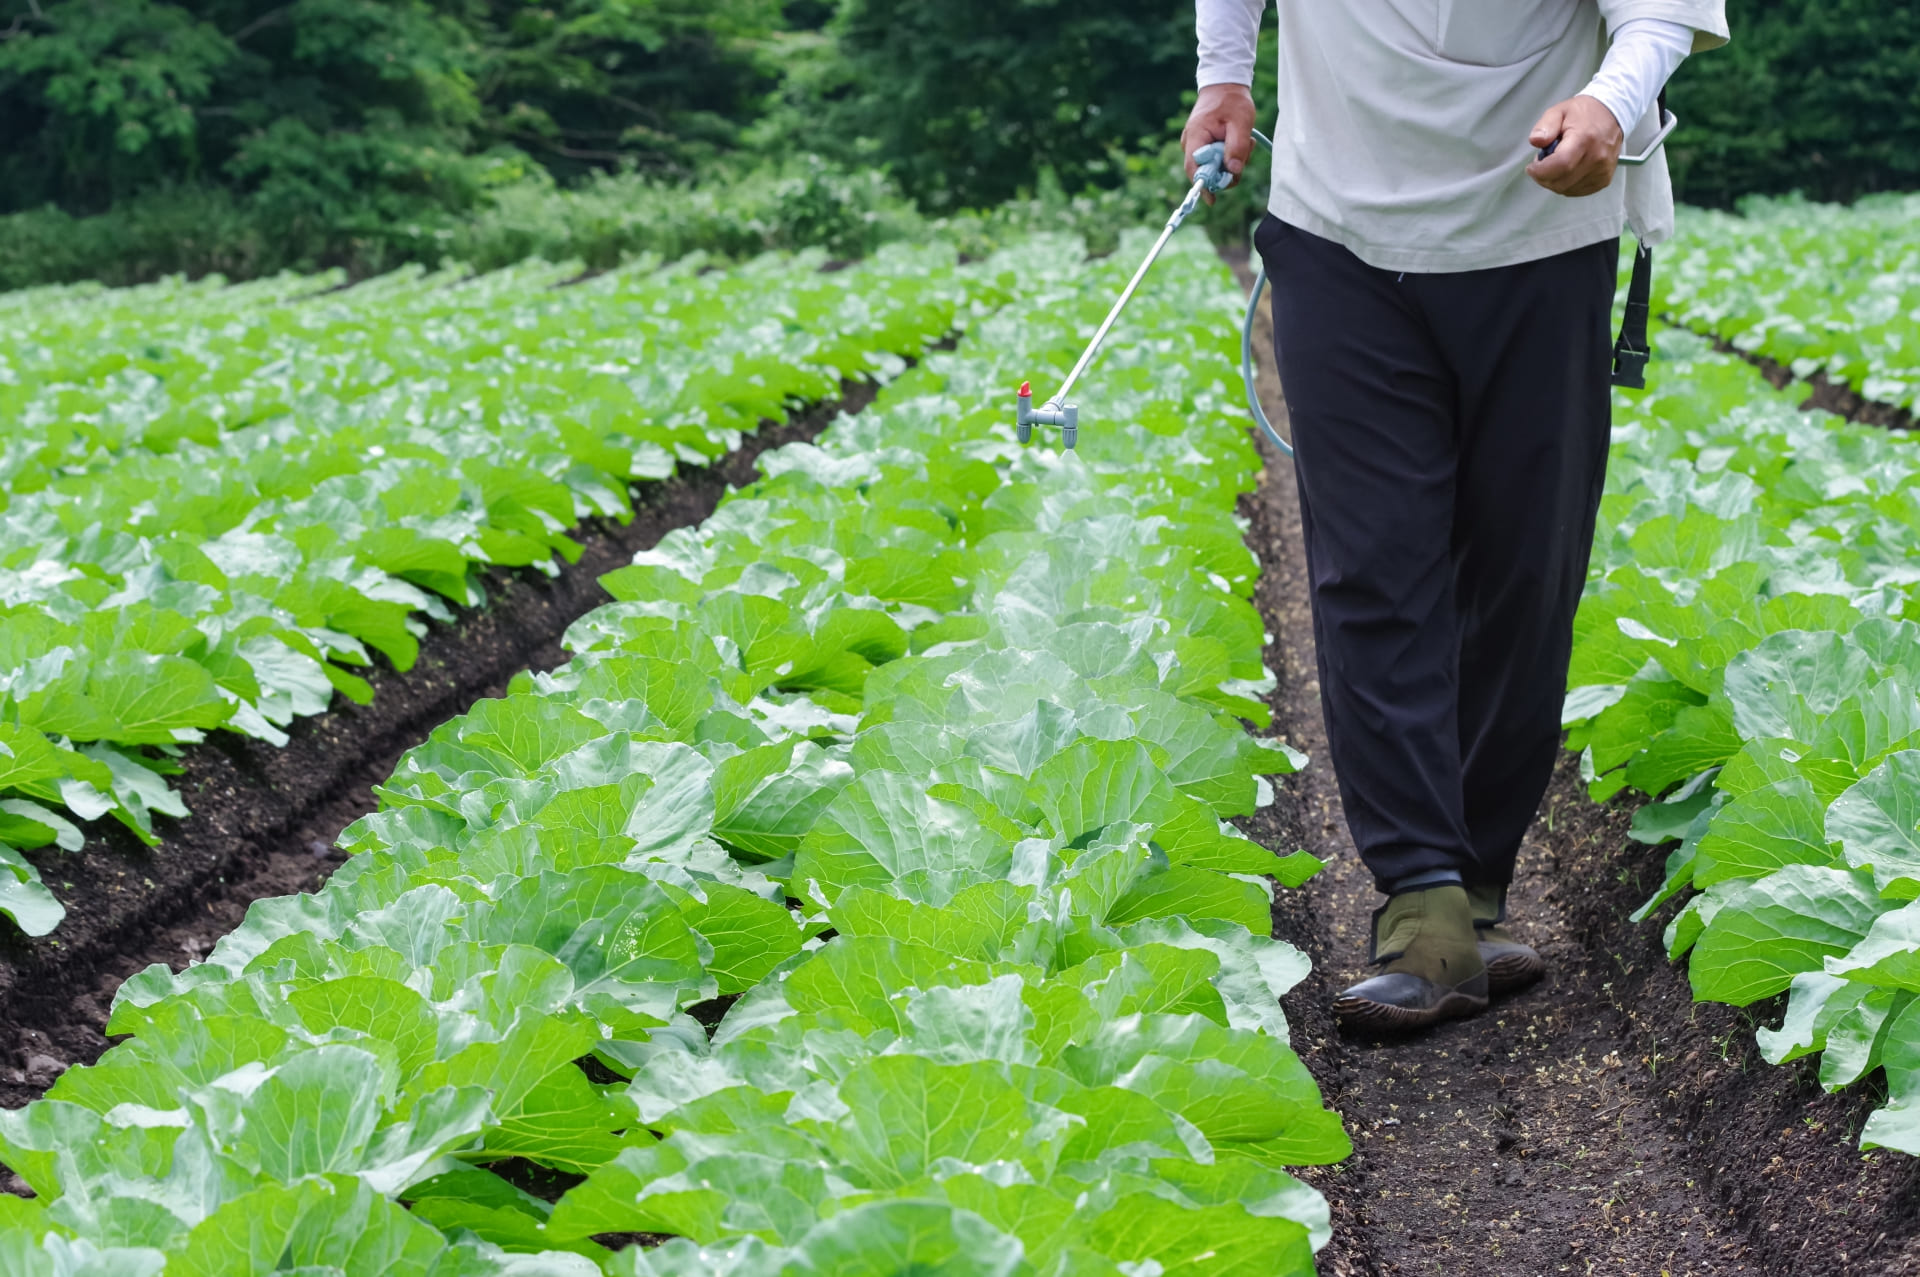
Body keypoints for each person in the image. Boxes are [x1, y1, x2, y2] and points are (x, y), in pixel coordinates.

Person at [1184, 0, 1728, 1031]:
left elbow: (1658, 11)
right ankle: (1422, 903)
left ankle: (1478, 882)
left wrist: (1612, 101)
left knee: (1525, 571)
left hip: (1539, 230)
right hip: (1336, 228)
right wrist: (1226, 76)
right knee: (1372, 566)